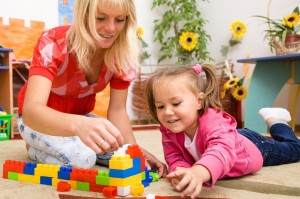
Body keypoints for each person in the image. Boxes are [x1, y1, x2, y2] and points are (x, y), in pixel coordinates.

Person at [17, 0, 167, 177]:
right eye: (100, 18)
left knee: (122, 156)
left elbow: (118, 110)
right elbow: (32, 111)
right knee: (83, 159)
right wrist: (79, 125)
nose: (111, 28)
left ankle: (69, 144)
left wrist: (134, 152)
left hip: (81, 119)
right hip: (39, 122)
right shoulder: (54, 42)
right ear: (83, 15)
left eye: (119, 20)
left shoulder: (122, 53)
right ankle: (34, 148)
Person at [144, 64, 300, 198]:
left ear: (199, 101)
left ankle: (275, 121)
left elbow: (220, 151)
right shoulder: (169, 130)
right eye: (160, 106)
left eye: (176, 103)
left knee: (295, 149)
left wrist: (198, 173)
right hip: (231, 134)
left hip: (253, 146)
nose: (168, 112)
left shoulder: (213, 121)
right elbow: (174, 156)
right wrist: (182, 172)